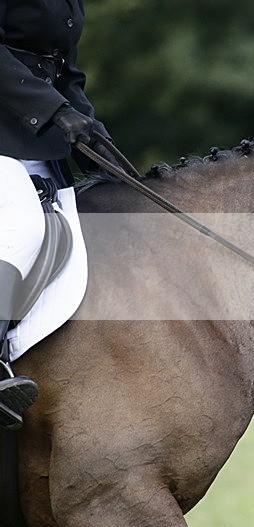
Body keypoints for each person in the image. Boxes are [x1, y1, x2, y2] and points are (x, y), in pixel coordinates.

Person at [0, 0, 116, 430]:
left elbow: (62, 71)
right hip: (10, 130)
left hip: (28, 138)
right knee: (23, 225)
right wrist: (53, 110)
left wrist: (89, 124)